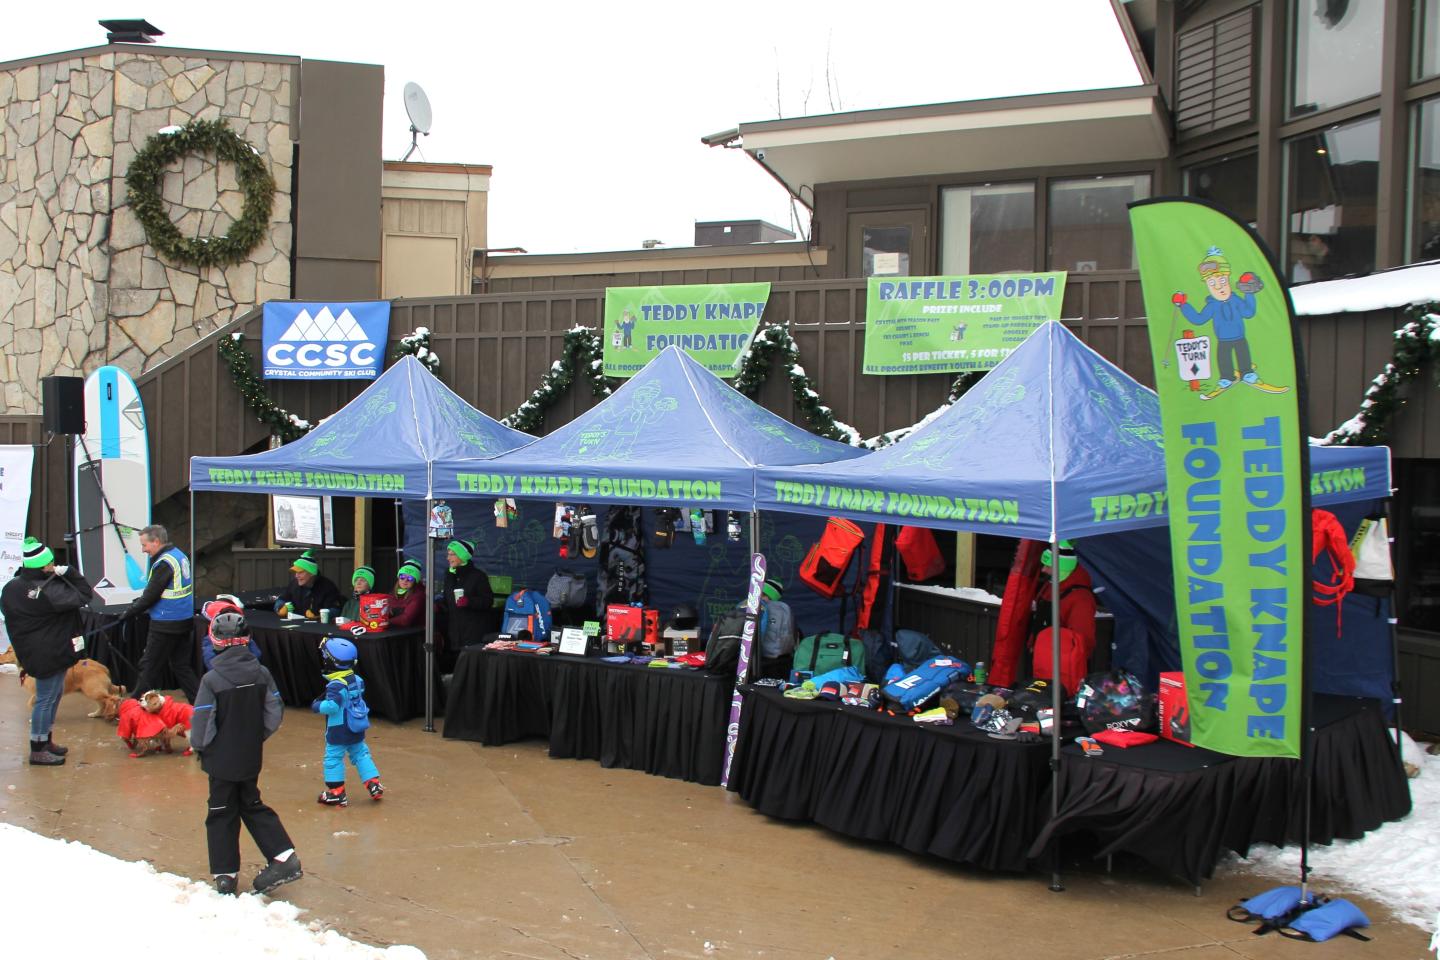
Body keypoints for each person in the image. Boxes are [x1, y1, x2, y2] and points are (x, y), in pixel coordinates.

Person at [190, 609, 301, 895]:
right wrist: (255, 737)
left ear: (215, 641)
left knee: (220, 811)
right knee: (251, 803)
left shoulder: (212, 680)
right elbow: (274, 712)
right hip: (250, 754)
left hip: (221, 759)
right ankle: (284, 856)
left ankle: (225, 874)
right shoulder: (261, 673)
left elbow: (202, 724)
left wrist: (202, 748)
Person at [0, 537, 95, 765]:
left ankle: (45, 742)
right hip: (52, 652)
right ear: (44, 565)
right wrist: (69, 572)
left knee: (52, 696)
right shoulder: (50, 590)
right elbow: (84, 595)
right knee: (47, 699)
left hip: (34, 651)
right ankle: (38, 748)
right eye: (51, 562)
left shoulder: (12, 587)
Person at [989, 539, 1097, 694]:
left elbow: (1082, 644)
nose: (1044, 570)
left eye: (1049, 566)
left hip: (1061, 675)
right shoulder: (1051, 586)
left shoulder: (1080, 599)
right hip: (1042, 664)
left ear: (1061, 567)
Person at [122, 525, 200, 704]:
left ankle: (132, 707)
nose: (143, 550)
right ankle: (200, 704)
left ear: (156, 541)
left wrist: (128, 612)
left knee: (148, 667)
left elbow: (150, 596)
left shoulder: (164, 563)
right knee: (181, 666)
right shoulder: (178, 555)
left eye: (144, 545)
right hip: (184, 620)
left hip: (165, 622)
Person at [312, 637, 384, 806]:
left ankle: (336, 792)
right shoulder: (356, 679)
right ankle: (373, 783)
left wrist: (317, 706)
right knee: (360, 754)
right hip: (357, 726)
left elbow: (332, 706)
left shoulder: (336, 685)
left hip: (339, 729)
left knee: (333, 758)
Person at [441, 538, 493, 648]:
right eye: (448, 554)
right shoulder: (449, 575)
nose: (448, 558)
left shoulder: (478, 576)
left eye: (452, 554)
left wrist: (468, 601)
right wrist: (438, 605)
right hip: (454, 631)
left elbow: (488, 601)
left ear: (462, 555)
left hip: (473, 632)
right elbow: (447, 600)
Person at [274, 554, 344, 620]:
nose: (296, 576)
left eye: (300, 572)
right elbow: (281, 599)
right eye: (296, 572)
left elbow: (336, 610)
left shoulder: (327, 586)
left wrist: (318, 615)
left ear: (311, 573)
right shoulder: (294, 584)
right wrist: (280, 608)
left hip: (319, 628)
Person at [387, 558, 424, 629]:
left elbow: (406, 620)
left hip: (413, 633)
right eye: (402, 577)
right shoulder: (393, 593)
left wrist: (385, 622)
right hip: (396, 631)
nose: (405, 580)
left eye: (410, 578)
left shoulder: (419, 595)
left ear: (415, 581)